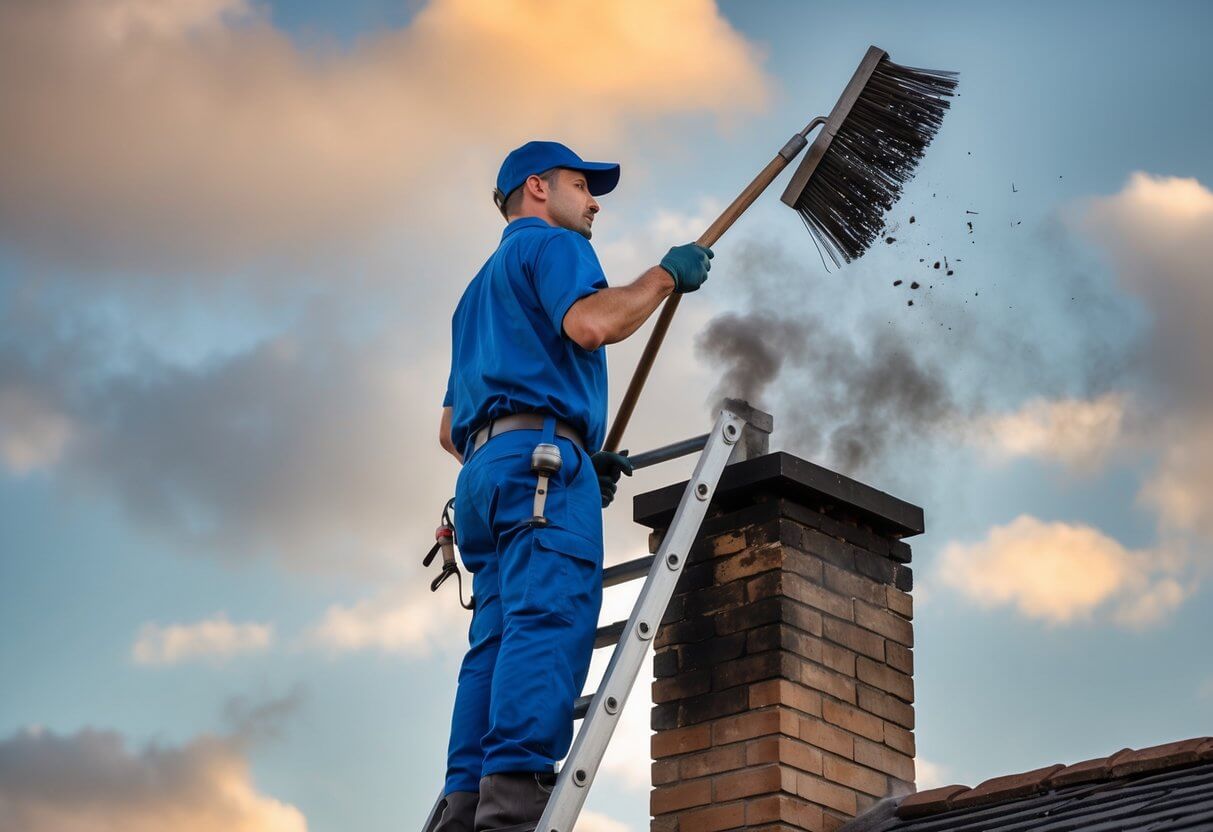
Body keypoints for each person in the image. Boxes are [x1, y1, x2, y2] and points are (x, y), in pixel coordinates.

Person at [433, 140, 712, 832]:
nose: (592, 204)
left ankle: (462, 808)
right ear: (537, 188)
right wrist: (664, 276)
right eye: (583, 188)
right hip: (538, 472)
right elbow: (592, 324)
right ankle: (514, 809)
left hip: (484, 478)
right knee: (546, 621)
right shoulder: (554, 248)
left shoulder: (476, 293)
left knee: (494, 644)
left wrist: (579, 450)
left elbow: (448, 429)